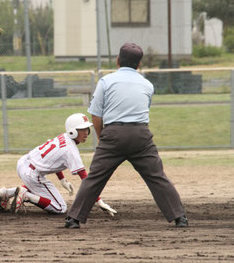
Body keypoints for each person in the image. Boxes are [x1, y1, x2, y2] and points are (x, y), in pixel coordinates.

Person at [64, 43, 188, 229]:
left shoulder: (106, 81)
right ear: (139, 64)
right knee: (156, 176)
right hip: (141, 134)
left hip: (113, 133)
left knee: (95, 177)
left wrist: (102, 136)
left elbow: (96, 114)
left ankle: (74, 218)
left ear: (118, 60)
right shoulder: (147, 84)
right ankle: (180, 217)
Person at [0, 113, 116, 216]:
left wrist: (62, 179)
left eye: (87, 129)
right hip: (32, 173)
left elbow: (54, 159)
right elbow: (85, 178)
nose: (86, 133)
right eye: (82, 129)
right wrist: (99, 201)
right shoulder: (71, 150)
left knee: (38, 185)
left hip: (24, 163)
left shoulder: (63, 137)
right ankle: (26, 196)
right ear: (72, 131)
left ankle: (6, 193)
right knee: (60, 208)